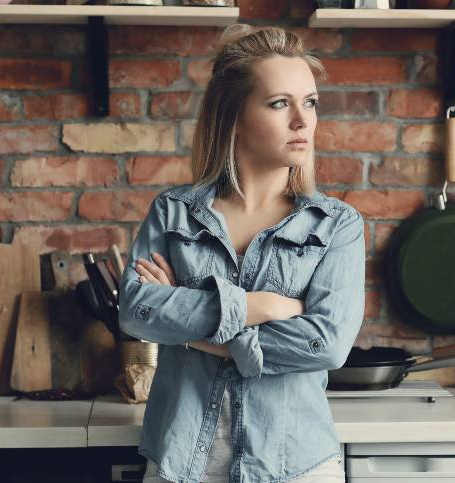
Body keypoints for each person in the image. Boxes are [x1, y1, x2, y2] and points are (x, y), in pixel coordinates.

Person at [118, 24, 366, 483]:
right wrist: (263, 307)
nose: (302, 121)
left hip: (296, 467)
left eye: (310, 102)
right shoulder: (175, 213)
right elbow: (137, 312)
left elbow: (327, 343)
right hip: (181, 464)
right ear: (233, 115)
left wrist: (196, 337)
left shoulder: (337, 225)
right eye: (279, 103)